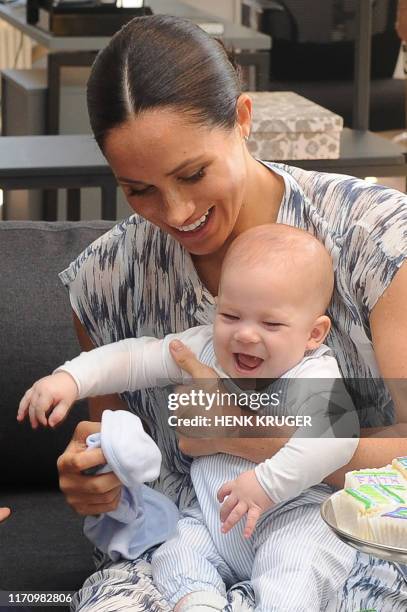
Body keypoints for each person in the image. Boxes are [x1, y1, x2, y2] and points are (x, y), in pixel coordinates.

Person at [53, 13, 407, 612]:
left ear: (243, 118)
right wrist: (101, 476)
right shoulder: (105, 279)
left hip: (349, 545)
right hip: (181, 553)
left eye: (193, 173)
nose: (176, 212)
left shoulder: (372, 236)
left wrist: (255, 439)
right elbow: (135, 477)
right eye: (138, 189)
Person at [19, 224, 360, 611]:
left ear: (313, 333)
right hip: (212, 519)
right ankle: (199, 601)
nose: (245, 335)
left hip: (291, 514)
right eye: (231, 315)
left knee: (300, 565)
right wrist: (70, 378)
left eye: (271, 324)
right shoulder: (202, 349)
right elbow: (134, 358)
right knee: (176, 550)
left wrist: (266, 484)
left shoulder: (314, 373)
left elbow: (338, 439)